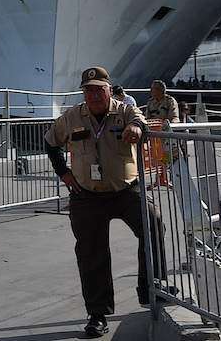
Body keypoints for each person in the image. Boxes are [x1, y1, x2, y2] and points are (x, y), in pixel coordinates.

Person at [44, 66, 167, 339]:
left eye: (99, 89)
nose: (94, 94)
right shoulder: (72, 116)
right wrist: (64, 173)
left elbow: (141, 122)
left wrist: (136, 128)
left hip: (125, 190)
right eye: (89, 90)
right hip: (87, 195)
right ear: (84, 93)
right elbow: (50, 143)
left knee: (153, 224)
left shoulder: (124, 110)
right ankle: (97, 315)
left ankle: (151, 288)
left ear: (109, 89)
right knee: (91, 253)